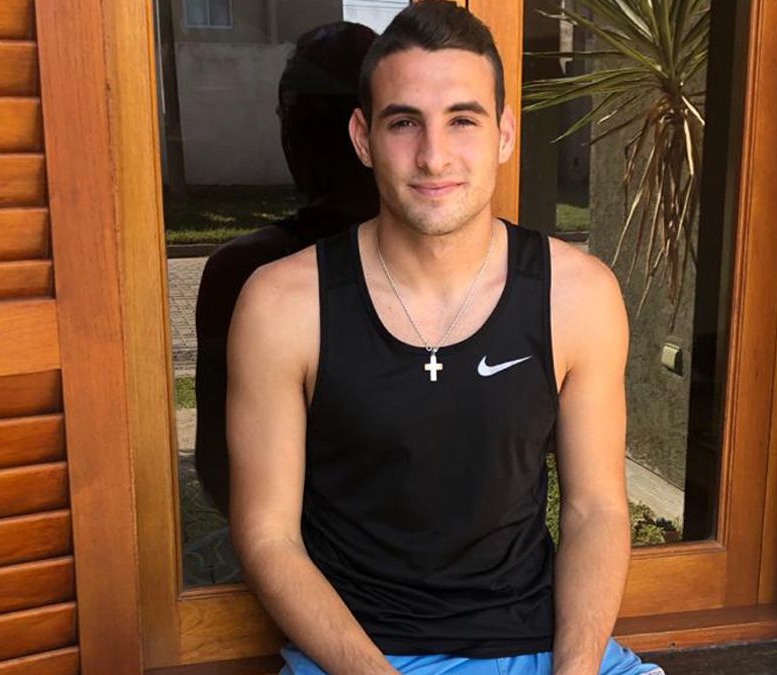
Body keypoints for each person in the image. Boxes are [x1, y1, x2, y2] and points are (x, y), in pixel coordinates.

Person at [226, 3, 663, 674]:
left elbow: (595, 508)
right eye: (404, 122)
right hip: (360, 657)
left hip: (539, 646)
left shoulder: (579, 295)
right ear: (363, 137)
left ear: (504, 135)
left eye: (463, 120)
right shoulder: (283, 305)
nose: (433, 156)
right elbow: (267, 535)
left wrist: (574, 671)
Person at [194, 21, 380, 518]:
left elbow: (218, 466)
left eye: (298, 116)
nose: (290, 135)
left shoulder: (240, 270)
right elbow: (221, 465)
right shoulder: (245, 271)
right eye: (288, 114)